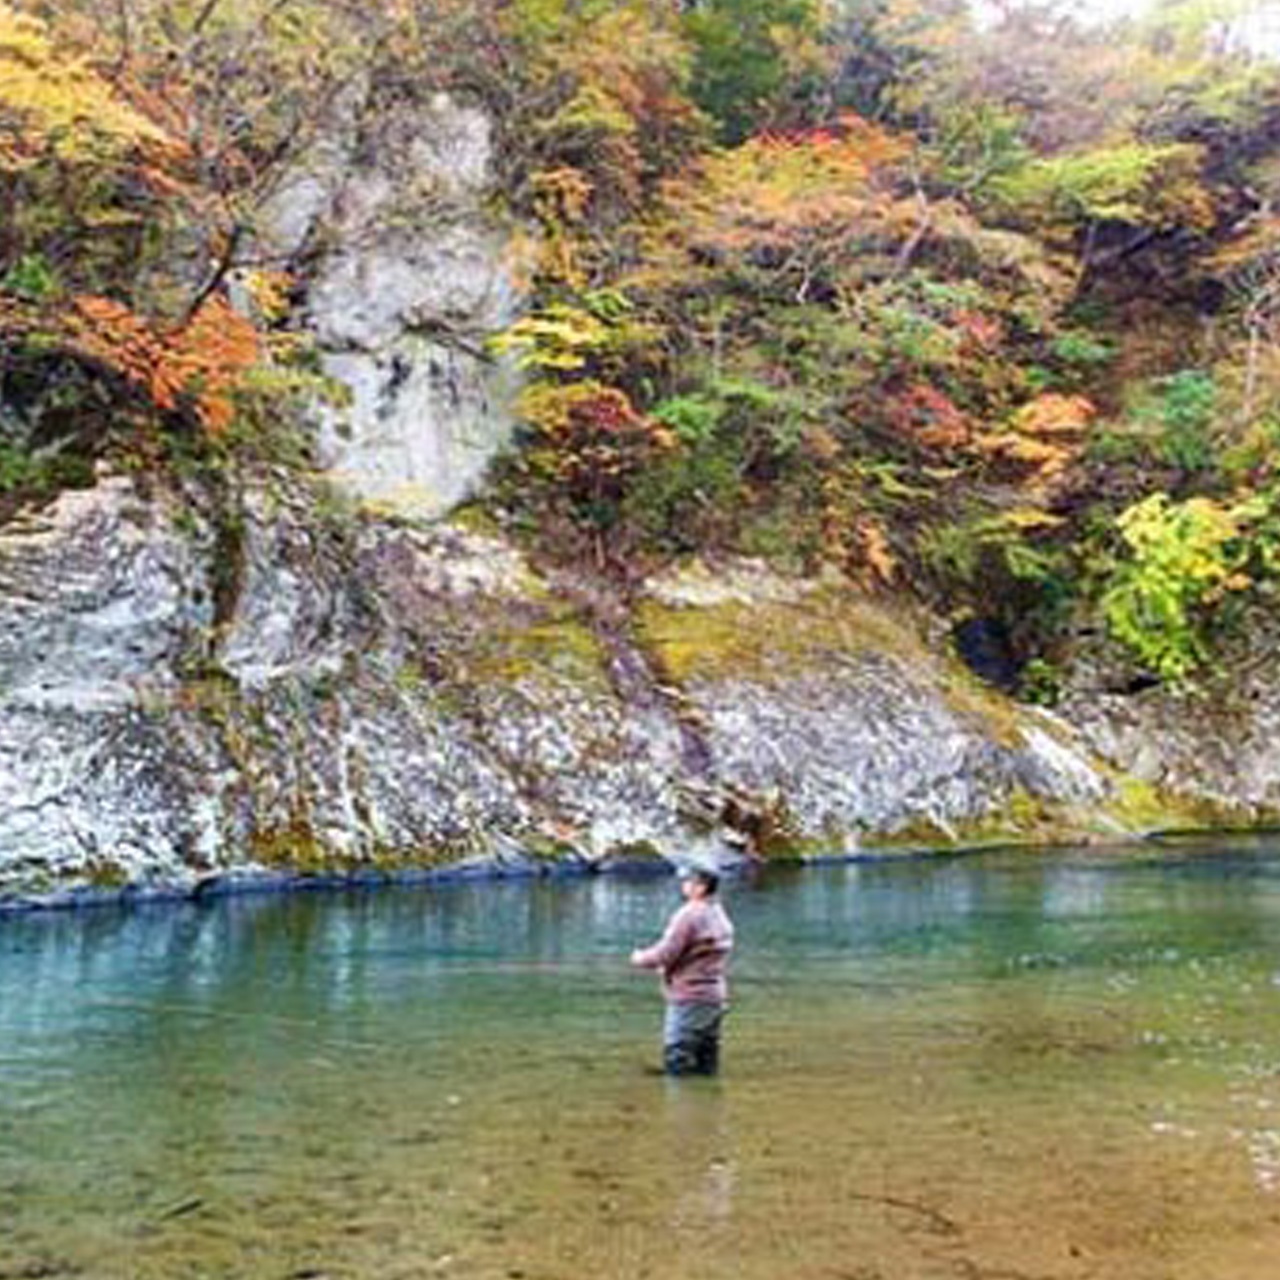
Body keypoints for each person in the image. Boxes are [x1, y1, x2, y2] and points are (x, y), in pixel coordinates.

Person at [630, 866, 734, 1077]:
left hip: (689, 997)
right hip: (714, 997)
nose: (683, 885)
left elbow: (666, 953)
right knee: (707, 1060)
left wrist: (639, 958)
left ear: (701, 888)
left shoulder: (689, 914)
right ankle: (708, 1105)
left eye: (688, 881)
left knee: (678, 1058)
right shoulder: (717, 911)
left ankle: (681, 1106)